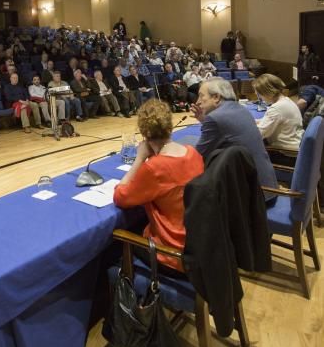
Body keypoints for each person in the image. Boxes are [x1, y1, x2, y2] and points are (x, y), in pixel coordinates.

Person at [114, 99, 204, 273]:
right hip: (201, 243)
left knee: (116, 242)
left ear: (144, 132)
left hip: (173, 254)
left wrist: (139, 159)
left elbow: (120, 197)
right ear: (169, 127)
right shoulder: (192, 152)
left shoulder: (154, 168)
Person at [191, 78, 278, 200]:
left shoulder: (215, 118)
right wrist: (203, 120)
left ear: (216, 97)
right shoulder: (241, 109)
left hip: (252, 197)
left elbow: (197, 157)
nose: (198, 102)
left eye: (201, 96)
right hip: (268, 185)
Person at [252, 74, 303, 162]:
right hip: (296, 148)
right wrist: (254, 121)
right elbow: (274, 121)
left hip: (286, 155)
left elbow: (259, 134)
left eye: (259, 94)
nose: (260, 98)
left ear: (266, 92)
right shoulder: (286, 100)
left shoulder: (276, 109)